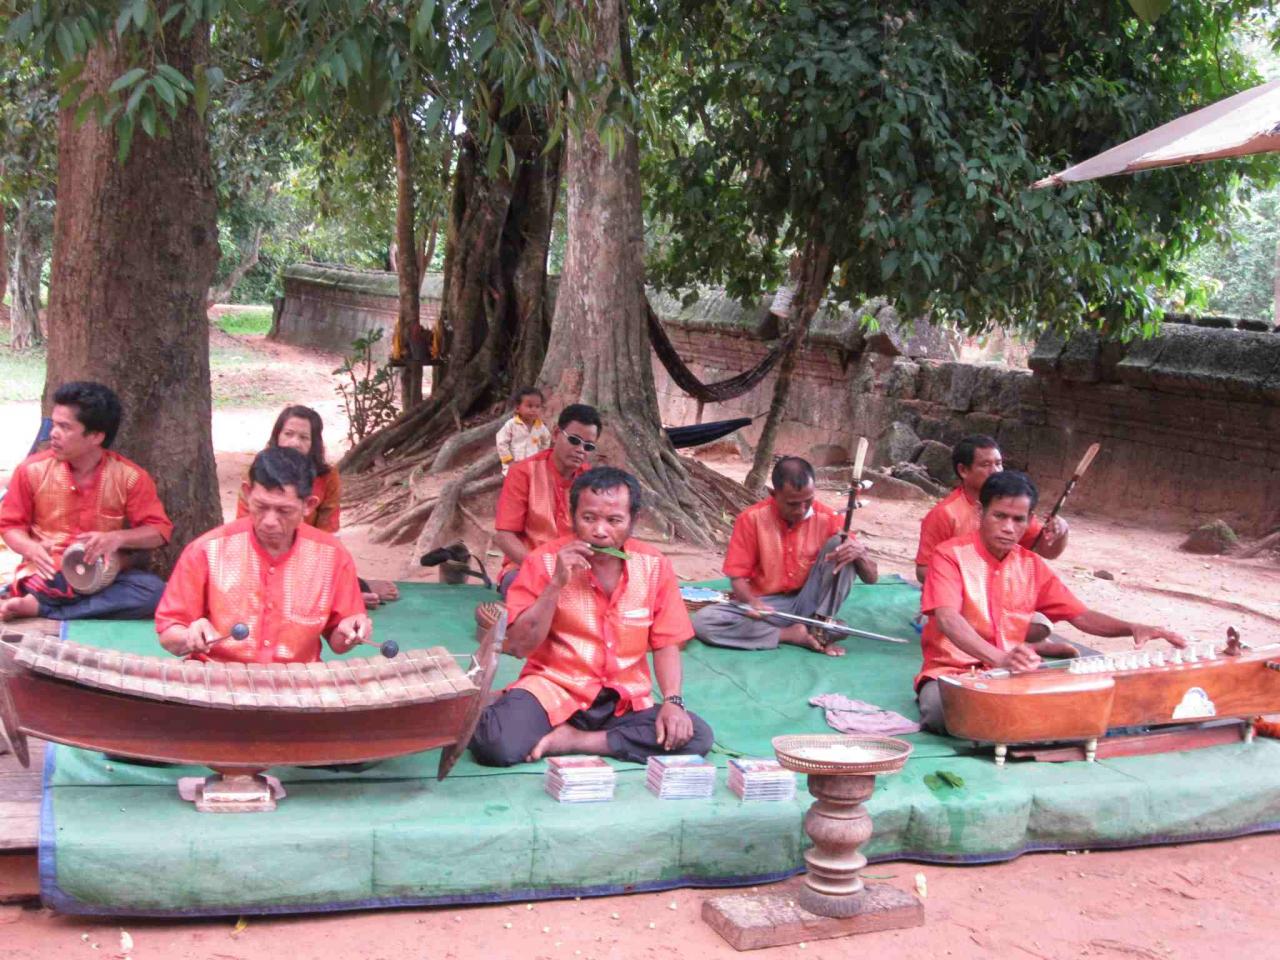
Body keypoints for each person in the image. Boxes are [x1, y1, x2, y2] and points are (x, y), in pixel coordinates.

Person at [470, 466, 714, 766]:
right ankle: (513, 706)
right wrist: (555, 585)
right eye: (589, 519)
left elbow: (666, 643)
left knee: (697, 735)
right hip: (555, 688)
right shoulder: (543, 562)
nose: (600, 531)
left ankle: (573, 740)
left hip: (624, 701)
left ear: (632, 522)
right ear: (572, 518)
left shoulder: (654, 566)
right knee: (495, 744)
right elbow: (520, 645)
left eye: (614, 521)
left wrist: (674, 701)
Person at [915, 470, 1186, 734]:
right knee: (943, 712)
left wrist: (1132, 627)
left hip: (1016, 674)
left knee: (1099, 695)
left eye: (1018, 519)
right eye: (999, 516)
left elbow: (1080, 615)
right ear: (980, 513)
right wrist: (1000, 658)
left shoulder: (1030, 564)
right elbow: (949, 619)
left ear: (1030, 520)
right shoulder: (950, 556)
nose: (1008, 528)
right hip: (953, 673)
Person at [157, 446, 371, 663]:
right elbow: (169, 633)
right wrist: (188, 636)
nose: (269, 521)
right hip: (218, 679)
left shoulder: (333, 556)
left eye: (283, 511)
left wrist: (350, 632)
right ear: (247, 494)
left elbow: (338, 642)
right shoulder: (205, 551)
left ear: (308, 505)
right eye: (260, 506)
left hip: (295, 685)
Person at [0, 381, 172, 622]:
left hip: (102, 575)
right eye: (54, 424)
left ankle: (42, 608)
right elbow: (10, 526)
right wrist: (31, 548)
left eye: (64, 427)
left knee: (155, 592)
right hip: (49, 571)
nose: (53, 434)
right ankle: (47, 601)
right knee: (53, 580)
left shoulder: (130, 476)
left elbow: (159, 531)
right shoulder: (31, 470)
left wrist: (118, 538)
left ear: (95, 436)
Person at [692, 456, 878, 656]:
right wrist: (751, 602)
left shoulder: (829, 517)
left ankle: (821, 628)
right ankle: (790, 634)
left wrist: (861, 554)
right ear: (773, 493)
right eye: (793, 504)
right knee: (703, 622)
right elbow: (737, 577)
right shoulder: (751, 519)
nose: (802, 510)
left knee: (843, 546)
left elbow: (871, 578)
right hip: (770, 608)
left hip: (811, 603)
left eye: (809, 501)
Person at [236, 404, 397, 608]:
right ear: (277, 436)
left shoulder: (327, 477)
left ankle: (343, 592)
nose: (294, 442)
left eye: (304, 437)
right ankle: (338, 598)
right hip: (259, 555)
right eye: (288, 434)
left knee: (336, 574)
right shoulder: (258, 470)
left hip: (308, 555)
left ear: (314, 443)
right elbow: (243, 528)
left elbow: (327, 536)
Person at [915, 435, 1068, 584]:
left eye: (999, 463)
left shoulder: (1011, 509)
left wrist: (1062, 533)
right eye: (985, 465)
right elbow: (924, 570)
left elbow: (1047, 551)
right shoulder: (945, 514)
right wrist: (973, 582)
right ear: (963, 470)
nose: (995, 471)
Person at [493, 403, 601, 597]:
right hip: (526, 568)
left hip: (576, 570)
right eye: (574, 440)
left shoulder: (591, 482)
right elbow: (504, 536)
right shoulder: (523, 473)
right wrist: (543, 569)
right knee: (532, 592)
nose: (581, 450)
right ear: (556, 433)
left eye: (588, 446)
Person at [495, 387, 552, 476]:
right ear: (518, 408)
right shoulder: (511, 424)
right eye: (529, 406)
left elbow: (546, 440)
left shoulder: (541, 427)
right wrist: (509, 460)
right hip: (513, 467)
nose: (534, 410)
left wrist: (541, 455)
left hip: (532, 467)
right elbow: (501, 442)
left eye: (537, 407)